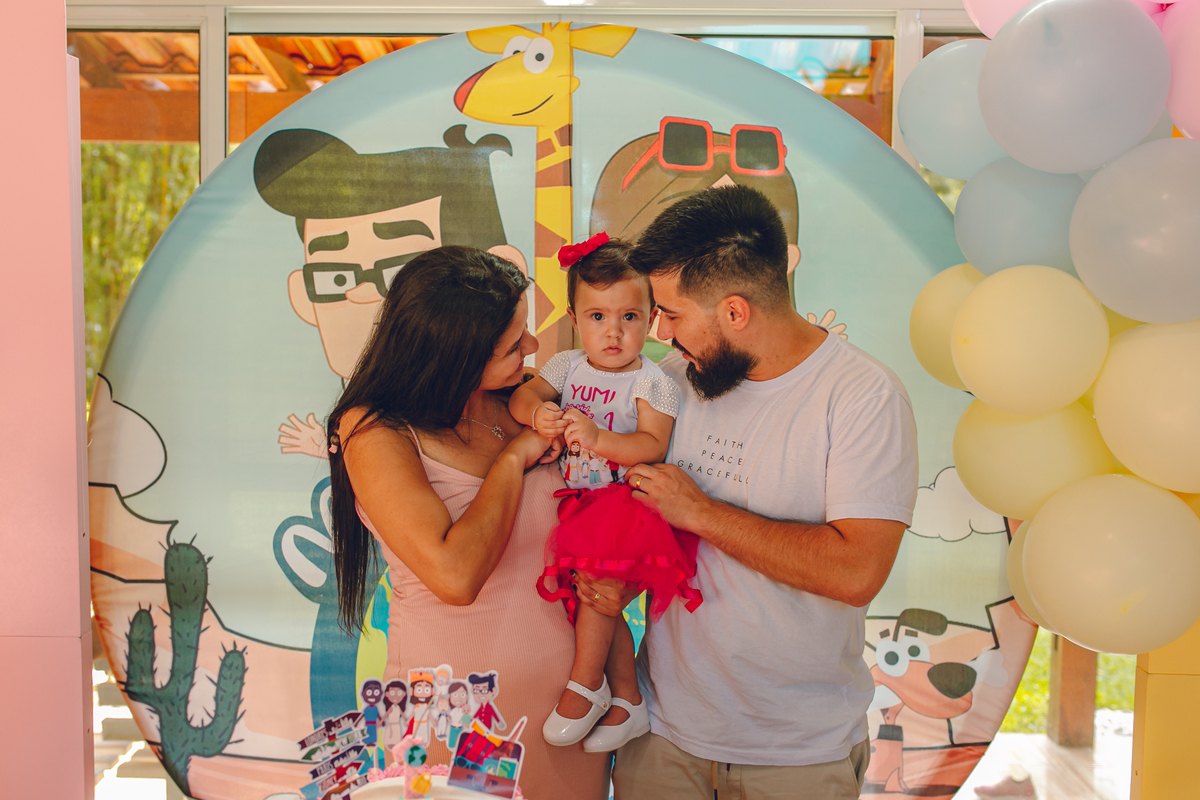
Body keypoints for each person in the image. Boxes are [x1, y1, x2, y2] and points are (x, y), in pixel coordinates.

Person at [580, 185, 918, 799]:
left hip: (798, 753)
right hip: (663, 735)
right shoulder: (670, 382)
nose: (659, 332)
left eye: (673, 314)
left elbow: (856, 571)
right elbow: (652, 522)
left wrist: (703, 513)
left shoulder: (863, 397)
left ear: (735, 312)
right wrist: (627, 576)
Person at [325, 246, 609, 799]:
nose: (532, 347)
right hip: (451, 723)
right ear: (455, 357)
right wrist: (513, 460)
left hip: (566, 715)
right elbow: (455, 576)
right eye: (513, 344)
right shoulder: (377, 430)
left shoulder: (528, 401)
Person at [509, 235, 700, 754]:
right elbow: (524, 396)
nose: (612, 332)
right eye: (597, 317)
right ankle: (628, 698)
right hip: (577, 503)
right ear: (575, 319)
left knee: (598, 588)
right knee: (595, 599)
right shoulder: (566, 365)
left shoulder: (652, 382)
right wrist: (537, 413)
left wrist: (598, 438)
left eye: (629, 317)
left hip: (623, 504)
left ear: (651, 318)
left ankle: (586, 683)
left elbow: (651, 445)